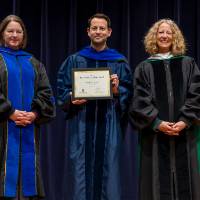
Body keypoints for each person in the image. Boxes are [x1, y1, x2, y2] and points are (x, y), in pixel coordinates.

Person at [57, 13, 132, 200]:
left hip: (109, 123)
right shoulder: (74, 60)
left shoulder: (119, 62)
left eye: (102, 28)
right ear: (88, 32)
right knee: (80, 175)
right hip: (82, 123)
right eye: (94, 28)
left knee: (109, 175)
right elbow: (61, 90)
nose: (98, 31)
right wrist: (71, 98)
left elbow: (129, 92)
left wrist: (117, 91)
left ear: (109, 32)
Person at [129, 18, 200, 200]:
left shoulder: (188, 64)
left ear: (175, 37)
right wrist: (157, 122)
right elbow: (138, 100)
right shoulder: (144, 67)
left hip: (184, 133)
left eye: (169, 32)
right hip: (154, 136)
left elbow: (197, 94)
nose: (165, 35)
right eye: (161, 32)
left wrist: (185, 120)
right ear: (154, 36)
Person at [0, 15, 55, 200]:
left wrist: (34, 114)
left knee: (27, 180)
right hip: (2, 131)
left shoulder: (34, 62)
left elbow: (46, 93)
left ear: (24, 35)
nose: (14, 35)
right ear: (2, 34)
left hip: (29, 129)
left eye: (18, 31)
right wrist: (10, 112)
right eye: (10, 31)